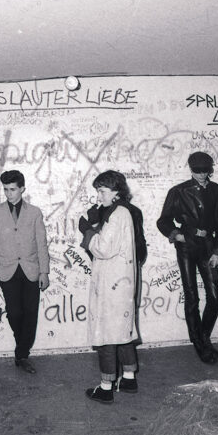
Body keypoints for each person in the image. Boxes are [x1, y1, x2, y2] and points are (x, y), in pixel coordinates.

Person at [156, 151, 218, 364]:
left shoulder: (217, 191)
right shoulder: (178, 191)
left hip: (209, 245)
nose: (200, 175)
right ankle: (199, 344)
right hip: (187, 246)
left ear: (210, 170)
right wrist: (176, 234)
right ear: (190, 169)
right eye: (196, 171)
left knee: (214, 296)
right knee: (192, 296)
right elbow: (163, 221)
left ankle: (203, 336)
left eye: (204, 171)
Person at [79, 170, 140, 404]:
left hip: (113, 285)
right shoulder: (121, 211)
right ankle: (128, 378)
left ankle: (105, 387)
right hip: (120, 283)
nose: (98, 196)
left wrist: (87, 231)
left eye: (102, 191)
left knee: (106, 335)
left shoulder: (118, 214)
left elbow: (103, 248)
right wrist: (96, 225)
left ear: (116, 191)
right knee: (123, 333)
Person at [0, 170, 50, 374]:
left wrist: (44, 272)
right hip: (7, 271)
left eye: (12, 189)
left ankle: (21, 354)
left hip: (31, 270)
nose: (8, 194)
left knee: (31, 313)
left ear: (22, 189)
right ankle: (22, 350)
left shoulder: (35, 212)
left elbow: (41, 244)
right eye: (5, 189)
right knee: (15, 313)